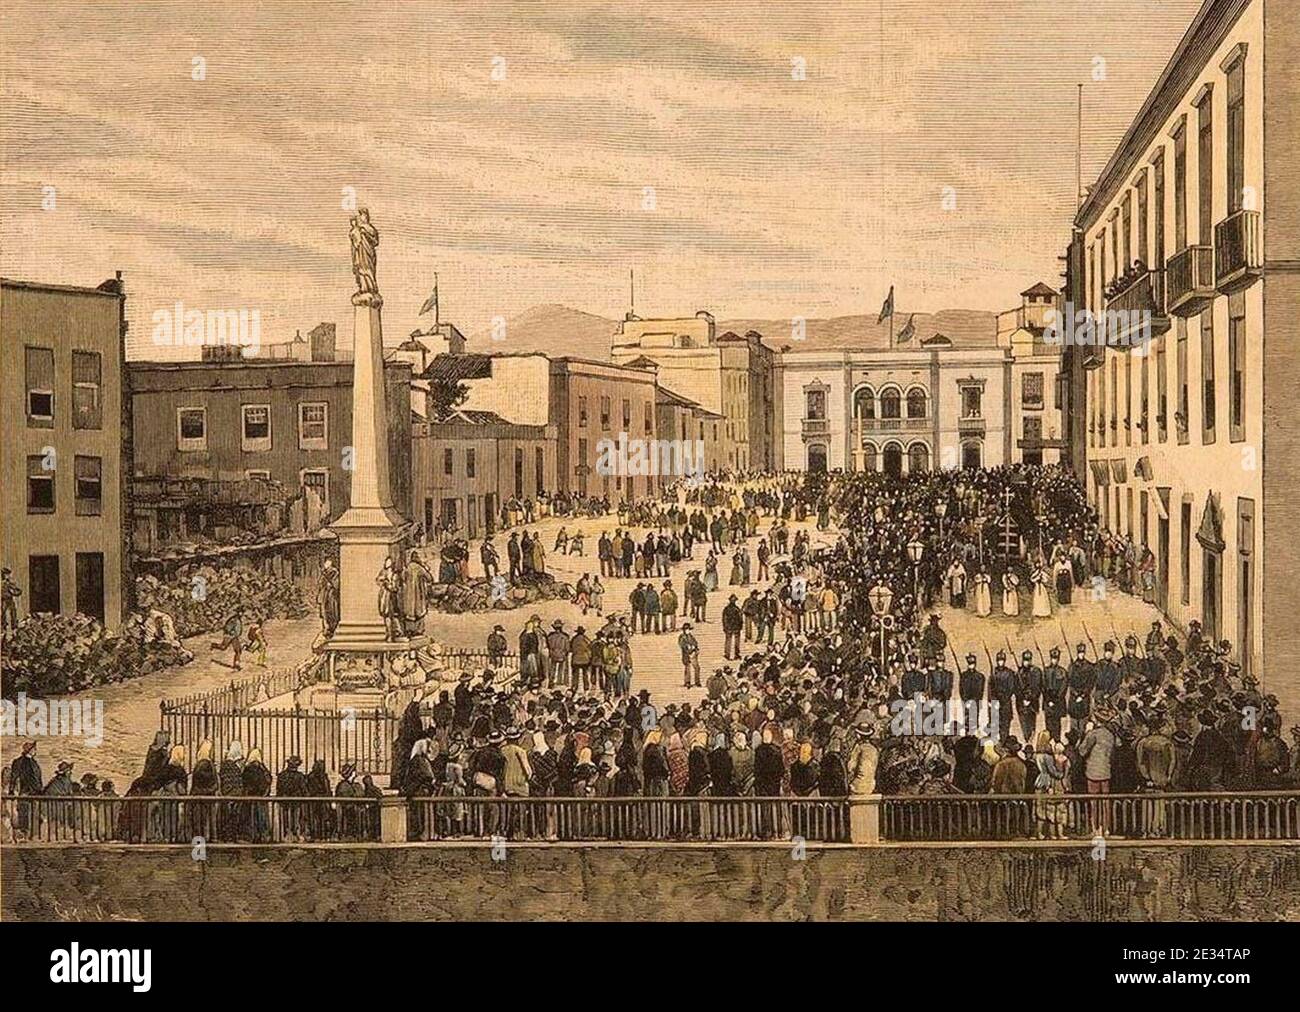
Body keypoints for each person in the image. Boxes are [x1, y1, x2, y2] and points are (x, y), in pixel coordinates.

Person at [678, 622, 701, 688]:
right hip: (686, 655)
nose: (687, 630)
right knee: (687, 668)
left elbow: (695, 643)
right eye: (686, 629)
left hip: (693, 654)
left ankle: (697, 682)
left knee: (697, 668)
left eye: (688, 629)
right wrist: (689, 649)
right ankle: (687, 682)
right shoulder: (682, 637)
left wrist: (695, 649)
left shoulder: (691, 636)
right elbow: (682, 645)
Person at [722, 594, 743, 660]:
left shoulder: (734, 609)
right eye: (733, 600)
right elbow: (724, 619)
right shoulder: (730, 609)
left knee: (734, 641)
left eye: (734, 600)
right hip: (731, 627)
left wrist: (740, 625)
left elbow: (740, 618)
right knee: (730, 641)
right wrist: (725, 626)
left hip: (734, 627)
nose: (733, 601)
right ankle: (728, 654)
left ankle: (733, 654)